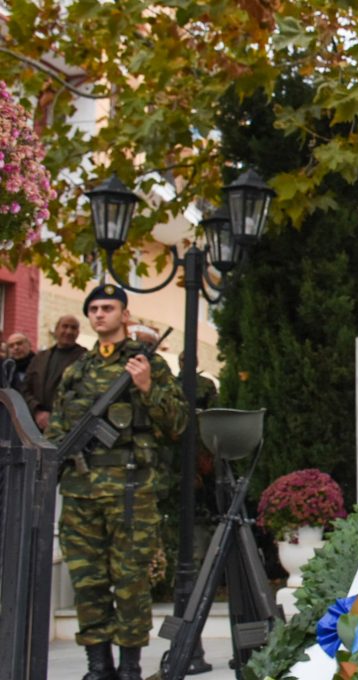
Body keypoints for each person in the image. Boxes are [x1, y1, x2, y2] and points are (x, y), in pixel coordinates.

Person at [46, 284, 186, 680]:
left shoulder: (148, 365)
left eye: (108, 307)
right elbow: (57, 432)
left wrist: (146, 388)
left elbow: (177, 425)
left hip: (130, 492)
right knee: (87, 581)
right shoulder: (76, 372)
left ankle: (129, 668)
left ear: (125, 314)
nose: (99, 314)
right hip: (80, 492)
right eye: (93, 308)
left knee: (130, 581)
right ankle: (98, 666)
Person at [20, 315, 87, 431]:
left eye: (73, 328)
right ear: (56, 330)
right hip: (35, 426)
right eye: (65, 326)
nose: (69, 331)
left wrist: (56, 417)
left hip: (66, 427)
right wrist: (38, 412)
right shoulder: (40, 358)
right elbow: (25, 388)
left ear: (78, 332)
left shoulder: (85, 358)